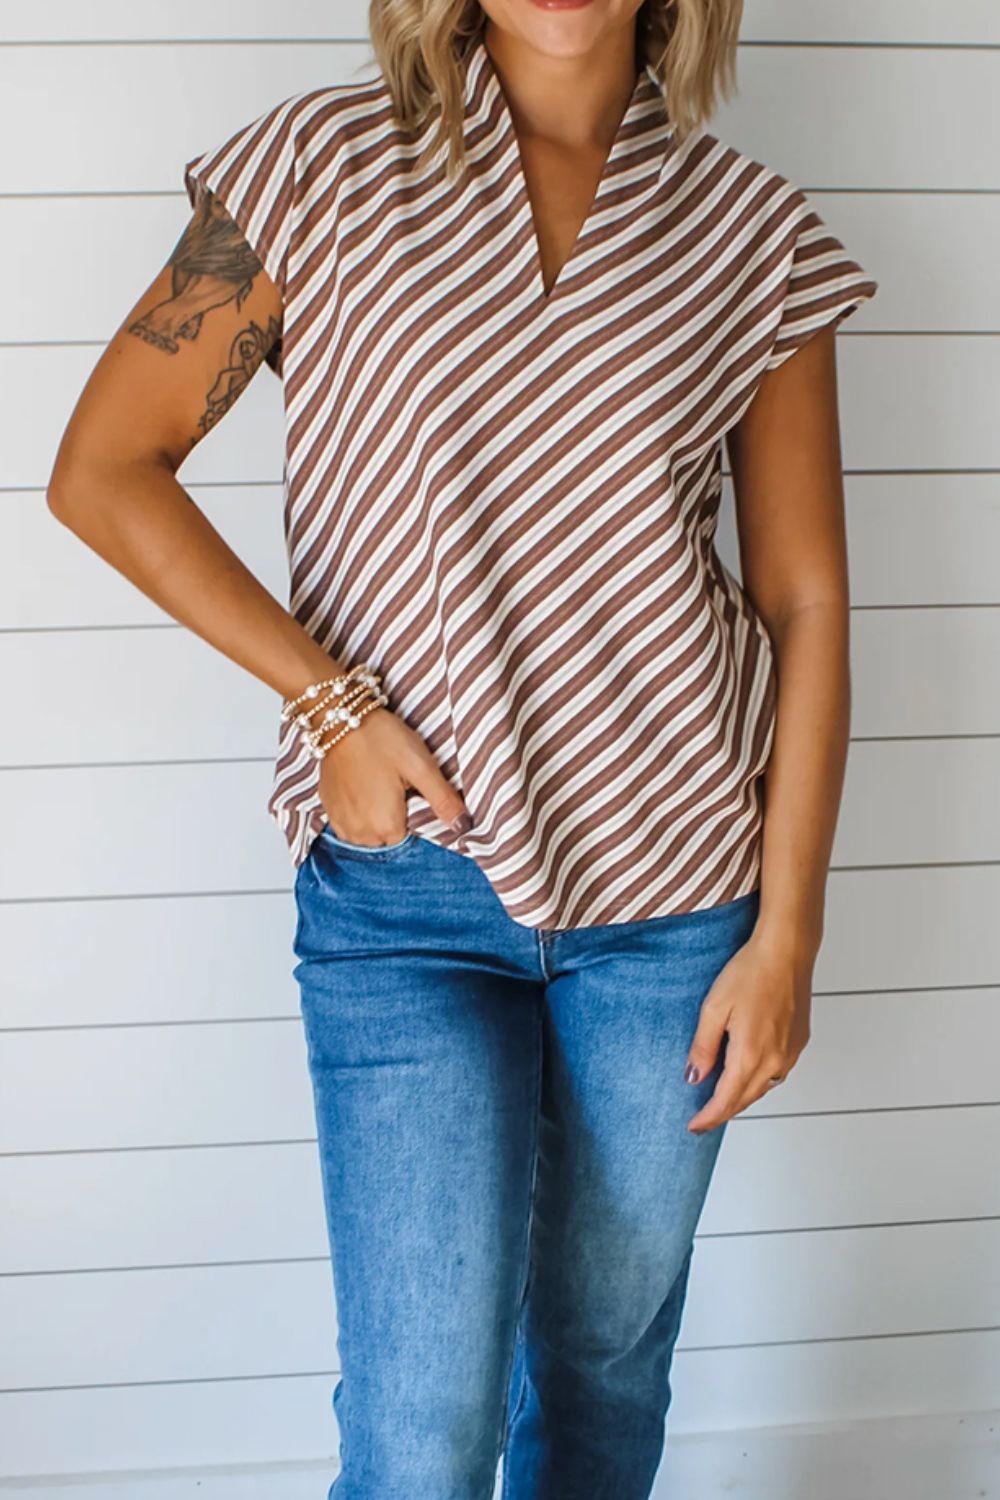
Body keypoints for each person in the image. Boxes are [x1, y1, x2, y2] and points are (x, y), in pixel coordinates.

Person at [46, 1, 877, 1495]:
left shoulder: (755, 234)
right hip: (403, 894)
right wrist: (330, 706)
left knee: (603, 1375)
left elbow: (803, 599)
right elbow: (105, 469)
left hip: (677, 899)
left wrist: (791, 935)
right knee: (421, 1430)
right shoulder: (320, 168)